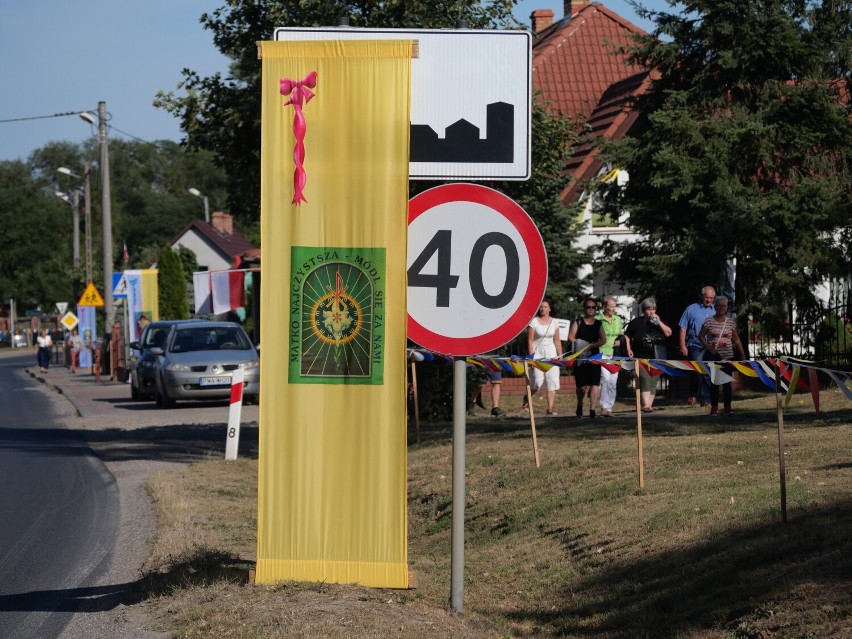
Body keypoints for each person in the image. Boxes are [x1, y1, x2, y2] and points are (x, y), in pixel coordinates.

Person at [623, 297, 673, 413]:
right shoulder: (637, 322)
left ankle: (649, 405)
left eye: (653, 309)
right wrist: (628, 348)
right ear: (644, 310)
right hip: (640, 356)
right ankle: (646, 404)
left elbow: (668, 333)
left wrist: (658, 322)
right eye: (649, 309)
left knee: (653, 380)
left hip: (657, 356)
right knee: (645, 379)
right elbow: (627, 335)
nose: (651, 312)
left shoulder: (658, 322)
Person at [698, 295, 745, 416]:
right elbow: (701, 336)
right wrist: (708, 347)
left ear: (727, 307)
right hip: (713, 358)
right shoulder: (708, 321)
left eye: (723, 306)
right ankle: (714, 408)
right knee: (714, 384)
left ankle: (728, 409)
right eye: (718, 305)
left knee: (727, 384)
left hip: (727, 357)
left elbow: (737, 340)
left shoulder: (730, 323)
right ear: (715, 306)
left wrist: (743, 356)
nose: (721, 308)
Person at [568, 296, 607, 418]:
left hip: (594, 356)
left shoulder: (599, 324)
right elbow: (571, 336)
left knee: (595, 383)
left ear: (596, 309)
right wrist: (580, 345)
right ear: (584, 308)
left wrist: (592, 346)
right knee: (581, 386)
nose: (590, 309)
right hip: (580, 357)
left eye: (593, 307)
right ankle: (580, 404)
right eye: (588, 307)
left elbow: (603, 340)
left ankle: (592, 410)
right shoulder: (578, 321)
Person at [678, 286, 717, 406]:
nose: (709, 300)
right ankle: (693, 394)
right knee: (697, 370)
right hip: (694, 344)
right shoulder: (691, 309)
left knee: (708, 372)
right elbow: (683, 327)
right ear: (702, 296)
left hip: (710, 346)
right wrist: (682, 345)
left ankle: (705, 399)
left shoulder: (715, 311)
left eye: (711, 298)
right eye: (707, 297)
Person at [525, 299, 563, 416]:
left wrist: (560, 356)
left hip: (551, 353)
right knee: (537, 382)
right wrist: (531, 358)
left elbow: (557, 341)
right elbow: (530, 341)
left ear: (550, 309)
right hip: (537, 354)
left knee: (552, 381)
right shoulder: (534, 322)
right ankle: (526, 399)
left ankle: (550, 408)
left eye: (545, 307)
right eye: (541, 307)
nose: (543, 309)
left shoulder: (554, 322)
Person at [596, 296, 624, 417]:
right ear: (604, 307)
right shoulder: (598, 319)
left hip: (615, 354)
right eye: (611, 307)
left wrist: (619, 340)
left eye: (614, 306)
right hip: (602, 353)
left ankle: (609, 407)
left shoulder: (617, 319)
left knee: (613, 381)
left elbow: (621, 334)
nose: (613, 309)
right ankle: (603, 406)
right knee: (605, 379)